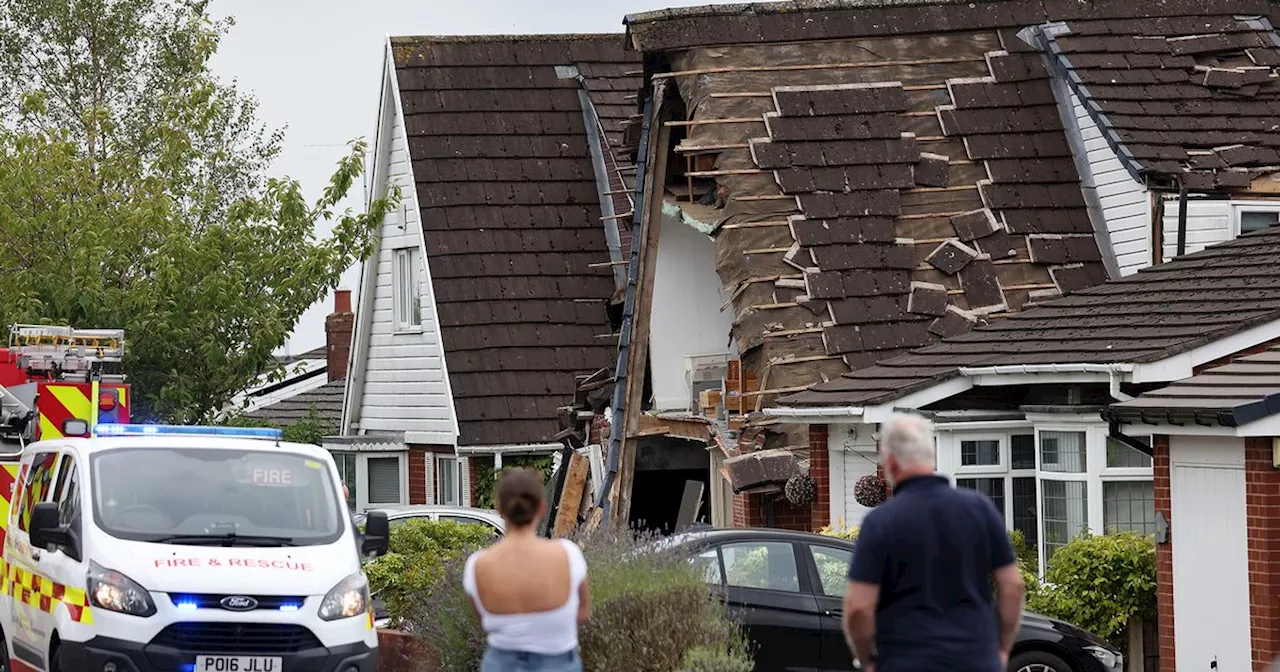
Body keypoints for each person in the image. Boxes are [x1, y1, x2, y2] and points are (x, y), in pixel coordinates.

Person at [843, 413, 1025, 672]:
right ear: (931, 457)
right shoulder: (979, 509)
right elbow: (1012, 587)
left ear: (891, 463)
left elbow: (859, 608)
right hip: (976, 661)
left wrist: (865, 659)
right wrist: (1002, 648)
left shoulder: (880, 523)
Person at [463, 468, 591, 672]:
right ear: (541, 508)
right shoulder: (568, 555)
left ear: (500, 509)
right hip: (557, 663)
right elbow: (583, 612)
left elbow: (482, 621)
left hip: (500, 664)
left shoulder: (477, 565)